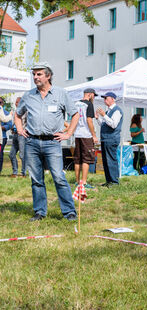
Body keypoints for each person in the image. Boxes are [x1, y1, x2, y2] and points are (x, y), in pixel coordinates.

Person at [14, 61, 79, 222]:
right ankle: (40, 212)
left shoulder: (61, 93)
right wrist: (20, 130)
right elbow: (17, 114)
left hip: (52, 143)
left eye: (39, 74)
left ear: (48, 76)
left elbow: (75, 114)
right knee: (36, 179)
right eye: (34, 74)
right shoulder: (28, 95)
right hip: (32, 143)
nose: (35, 77)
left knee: (58, 177)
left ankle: (69, 212)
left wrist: (68, 133)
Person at [96, 91, 123, 187]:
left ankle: (114, 182)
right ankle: (109, 181)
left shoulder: (116, 110)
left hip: (111, 139)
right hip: (105, 139)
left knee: (111, 160)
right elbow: (103, 124)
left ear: (113, 99)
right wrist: (98, 118)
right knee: (106, 161)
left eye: (106, 98)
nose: (104, 100)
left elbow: (113, 124)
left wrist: (104, 115)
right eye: (104, 98)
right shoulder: (108, 111)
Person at [72, 88, 98, 189]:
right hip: (86, 134)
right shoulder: (89, 104)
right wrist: (94, 135)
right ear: (90, 94)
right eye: (94, 96)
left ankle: (77, 181)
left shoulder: (76, 103)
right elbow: (89, 121)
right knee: (86, 159)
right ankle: (84, 182)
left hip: (77, 133)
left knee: (77, 158)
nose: (94, 97)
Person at [9, 97, 27, 177]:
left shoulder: (26, 112)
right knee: (11, 154)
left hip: (22, 135)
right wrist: (12, 129)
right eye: (16, 102)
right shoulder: (15, 112)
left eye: (18, 102)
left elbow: (28, 123)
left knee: (22, 155)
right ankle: (15, 172)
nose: (16, 104)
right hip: (15, 134)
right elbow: (13, 122)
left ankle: (23, 173)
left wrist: (24, 131)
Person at [0, 97, 13, 174]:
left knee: (0, 153)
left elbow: (9, 124)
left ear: (3, 103)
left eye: (0, 102)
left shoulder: (6, 112)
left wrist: (3, 127)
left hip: (3, 136)